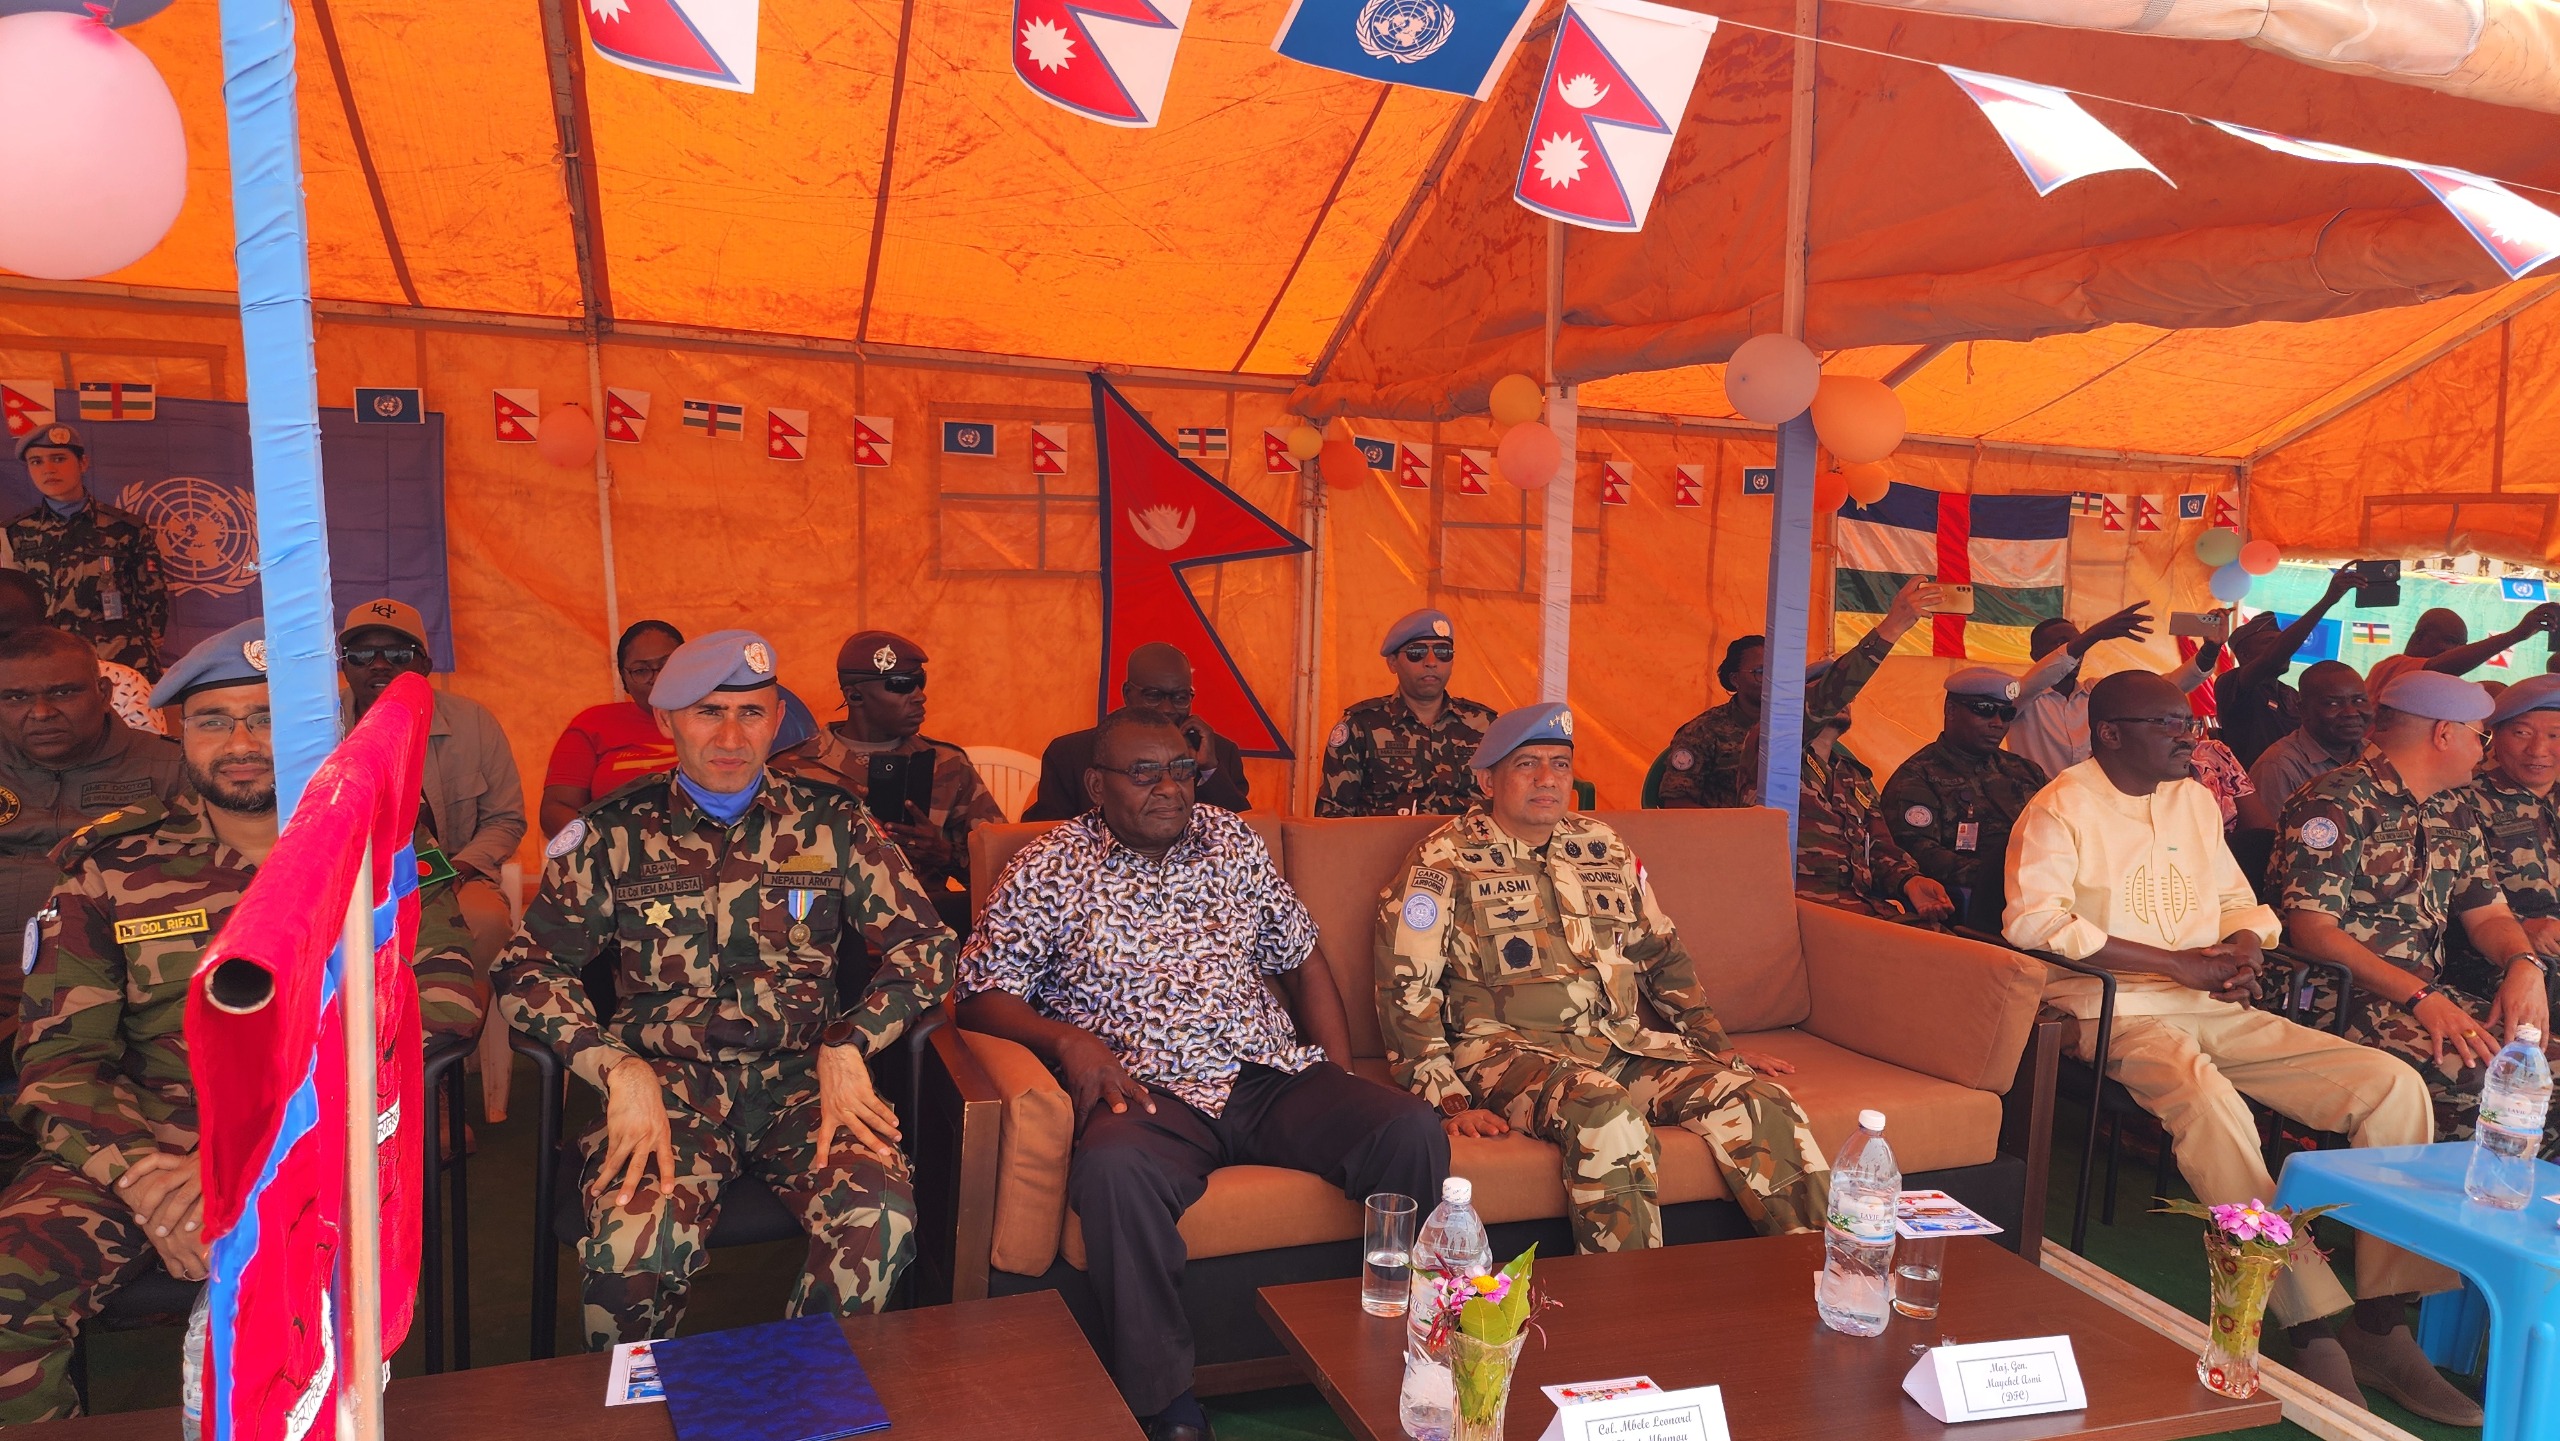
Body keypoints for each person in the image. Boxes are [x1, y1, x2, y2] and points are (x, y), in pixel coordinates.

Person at [0, 619, 482, 1424]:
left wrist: (246, 1160)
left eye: (266, 717)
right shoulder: (111, 865)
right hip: (146, 1146)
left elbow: (445, 999)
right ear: (179, 733)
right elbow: (60, 1061)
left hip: (321, 1139)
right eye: (213, 720)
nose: (241, 743)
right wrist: (148, 1179)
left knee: (314, 1319)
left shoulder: (378, 848)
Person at [960, 708, 1442, 1441]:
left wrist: (1338, 1075)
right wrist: (1068, 1041)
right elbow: (979, 993)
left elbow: (1302, 958)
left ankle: (1413, 1351)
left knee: (1408, 1129)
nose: (1170, 787)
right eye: (1144, 772)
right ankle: (1166, 1406)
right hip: (1146, 1089)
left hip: (1266, 1073)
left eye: (1182, 769)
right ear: (1096, 785)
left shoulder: (1231, 840)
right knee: (1115, 1172)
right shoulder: (1049, 864)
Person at [2004, 670, 2470, 1422]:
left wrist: (2244, 948)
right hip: (2113, 1008)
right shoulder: (2060, 805)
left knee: (2392, 1086)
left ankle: (2382, 1322)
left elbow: (2236, 903)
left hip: (2211, 1002)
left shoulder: (2192, 799)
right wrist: (2176, 964)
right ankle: (2307, 1321)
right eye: (2167, 724)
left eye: (2188, 722)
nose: (2188, 737)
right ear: (2111, 732)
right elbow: (2035, 923)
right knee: (2210, 1102)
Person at [497, 630, 957, 1352]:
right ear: (666, 720)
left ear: (777, 722)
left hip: (805, 1080)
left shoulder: (833, 821)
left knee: (880, 1216)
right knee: (630, 1244)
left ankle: (803, 1390)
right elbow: (529, 969)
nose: (733, 736)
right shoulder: (611, 834)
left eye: (752, 713)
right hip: (667, 1087)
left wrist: (850, 1042)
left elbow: (926, 945)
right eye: (709, 712)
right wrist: (615, 1067)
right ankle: (642, 1405)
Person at [1376, 702, 1829, 1255]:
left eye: (1560, 764)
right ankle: (1626, 1298)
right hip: (1502, 1053)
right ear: (1487, 779)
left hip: (1615, 1045)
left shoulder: (1601, 845)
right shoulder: (1442, 858)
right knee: (1605, 1112)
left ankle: (1820, 1275)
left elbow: (1661, 953)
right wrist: (1447, 1100)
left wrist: (1716, 1048)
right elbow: (1405, 985)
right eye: (1527, 764)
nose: (1547, 779)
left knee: (1760, 1100)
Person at [2275, 671, 2551, 1162]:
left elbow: (2488, 914)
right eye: (2481, 736)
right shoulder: (2336, 801)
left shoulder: (2451, 807)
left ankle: (2512, 1204)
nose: (2483, 752)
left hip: (2423, 994)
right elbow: (2313, 933)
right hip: (2333, 996)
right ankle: (2437, 1200)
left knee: (2542, 1069)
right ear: (2444, 733)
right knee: (2483, 1080)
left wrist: (2523, 964)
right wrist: (2422, 997)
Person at [340, 598, 527, 1118]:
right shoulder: (317, 725)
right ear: (344, 665)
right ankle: (366, 1086)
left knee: (483, 923)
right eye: (363, 654)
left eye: (398, 654)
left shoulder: (472, 722)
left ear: (425, 663)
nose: (380, 665)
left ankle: (437, 1084)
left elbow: (506, 819)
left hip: (455, 874)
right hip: (351, 886)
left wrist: (455, 871)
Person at [0, 627, 184, 1072]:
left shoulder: (171, 769)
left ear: (104, 693)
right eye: (16, 698)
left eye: (63, 692)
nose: (41, 713)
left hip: (117, 991)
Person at [782, 629, 1003, 935]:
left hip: (926, 935)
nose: (920, 696)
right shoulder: (793, 770)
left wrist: (946, 855)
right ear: (854, 696)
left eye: (920, 682)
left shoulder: (946, 764)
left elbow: (1007, 873)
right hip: (825, 936)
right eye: (901, 685)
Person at [1658, 581, 1927, 811]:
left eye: (1781, 671)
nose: (1773, 679)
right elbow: (1676, 804)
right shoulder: (1705, 731)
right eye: (1761, 672)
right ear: (1735, 679)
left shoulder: (1808, 739)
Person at [1881, 666, 2052, 933]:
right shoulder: (1917, 777)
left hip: (2042, 891)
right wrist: (2001, 875)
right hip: (1976, 907)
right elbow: (1917, 851)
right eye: (1984, 710)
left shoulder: (2025, 771)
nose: (1997, 723)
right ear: (1950, 711)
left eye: (2006, 714)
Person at [5, 425, 168, 679]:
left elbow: (153, 597)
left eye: (59, 459)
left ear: (83, 463)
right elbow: (11, 606)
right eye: (36, 462)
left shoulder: (125, 528)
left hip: (121, 659)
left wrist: (152, 634)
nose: (48, 469)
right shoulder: (15, 532)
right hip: (47, 663)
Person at [1024, 643, 1250, 819]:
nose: (1167, 709)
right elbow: (1044, 835)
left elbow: (1244, 834)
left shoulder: (1219, 753)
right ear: (1127, 693)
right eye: (1153, 696)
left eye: (1180, 698)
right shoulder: (1069, 754)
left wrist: (1209, 769)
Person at [1316, 609, 1498, 817]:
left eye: (1443, 652)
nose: (1431, 661)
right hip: (1389, 838)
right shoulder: (1361, 726)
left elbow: (1509, 803)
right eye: (1417, 652)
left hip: (1471, 837)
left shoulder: (1485, 725)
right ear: (1392, 662)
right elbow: (1332, 814)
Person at [2445, 676, 2560, 998]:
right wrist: (2521, 926)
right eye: (2522, 733)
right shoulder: (2460, 800)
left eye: (2555, 735)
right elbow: (2434, 896)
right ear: (2494, 734)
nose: (2538, 750)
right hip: (2494, 961)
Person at [2005, 604, 2212, 777]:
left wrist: (2210, 650)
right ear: (2035, 655)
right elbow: (2039, 678)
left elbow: (2164, 688)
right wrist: (2094, 634)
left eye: (2078, 643)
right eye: (2062, 644)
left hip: (2096, 802)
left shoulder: (2098, 692)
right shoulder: (2017, 694)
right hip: (2036, 802)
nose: (2077, 651)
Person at [2213, 566, 2369, 766]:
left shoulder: (2290, 694)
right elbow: (2271, 658)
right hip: (2257, 781)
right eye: (2271, 643)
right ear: (2244, 654)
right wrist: (2328, 601)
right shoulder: (2232, 684)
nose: (2286, 650)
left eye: (2282, 642)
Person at [540, 620, 684, 836]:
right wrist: (605, 847)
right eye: (641, 670)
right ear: (624, 679)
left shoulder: (719, 716)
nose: (656, 678)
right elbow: (555, 810)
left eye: (667, 665)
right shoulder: (592, 724)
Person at [0, 571, 157, 735]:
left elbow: (143, 750)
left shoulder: (122, 686)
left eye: (6, 638)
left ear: (46, 627)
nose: (41, 713)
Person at [2245, 661, 2371, 810]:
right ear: (2303, 710)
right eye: (2333, 704)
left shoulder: (2373, 753)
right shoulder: (2279, 767)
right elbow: (2271, 826)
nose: (2351, 712)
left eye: (2359, 701)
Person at [2365, 603, 2559, 694]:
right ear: (2420, 637)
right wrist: (2516, 635)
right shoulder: (2390, 667)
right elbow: (2437, 667)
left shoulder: (2440, 686)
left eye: (2462, 646)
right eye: (2450, 641)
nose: (2457, 651)